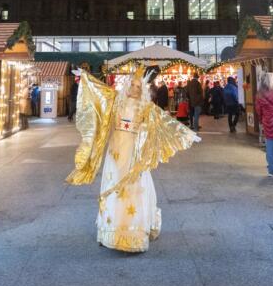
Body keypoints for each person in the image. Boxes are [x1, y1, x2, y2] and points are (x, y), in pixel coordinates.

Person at [67, 67, 199, 252]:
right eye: (133, 84)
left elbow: (165, 123)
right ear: (127, 85)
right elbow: (99, 93)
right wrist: (86, 77)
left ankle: (133, 231)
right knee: (114, 183)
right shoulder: (116, 101)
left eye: (139, 85)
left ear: (143, 88)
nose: (135, 88)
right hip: (116, 149)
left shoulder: (146, 107)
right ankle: (111, 229)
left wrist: (186, 134)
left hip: (134, 151)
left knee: (134, 186)